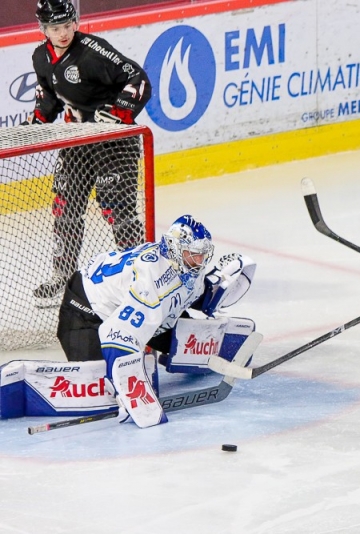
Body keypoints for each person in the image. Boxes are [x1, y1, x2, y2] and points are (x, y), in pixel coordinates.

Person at [55, 214, 257, 427]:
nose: (200, 262)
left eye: (203, 255)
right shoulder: (150, 281)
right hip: (87, 310)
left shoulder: (184, 262)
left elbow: (193, 294)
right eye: (194, 255)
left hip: (134, 302)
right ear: (174, 248)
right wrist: (127, 390)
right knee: (97, 387)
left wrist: (218, 285)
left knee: (173, 326)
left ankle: (203, 347)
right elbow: (118, 335)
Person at [27, 0, 152, 300]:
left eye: (67, 25)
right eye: (55, 28)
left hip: (113, 142)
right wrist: (37, 121)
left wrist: (118, 113)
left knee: (117, 209)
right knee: (65, 208)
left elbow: (138, 79)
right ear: (44, 30)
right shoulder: (40, 57)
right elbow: (49, 99)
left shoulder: (93, 52)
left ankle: (138, 276)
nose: (62, 33)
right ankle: (63, 276)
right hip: (76, 142)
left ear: (75, 23)